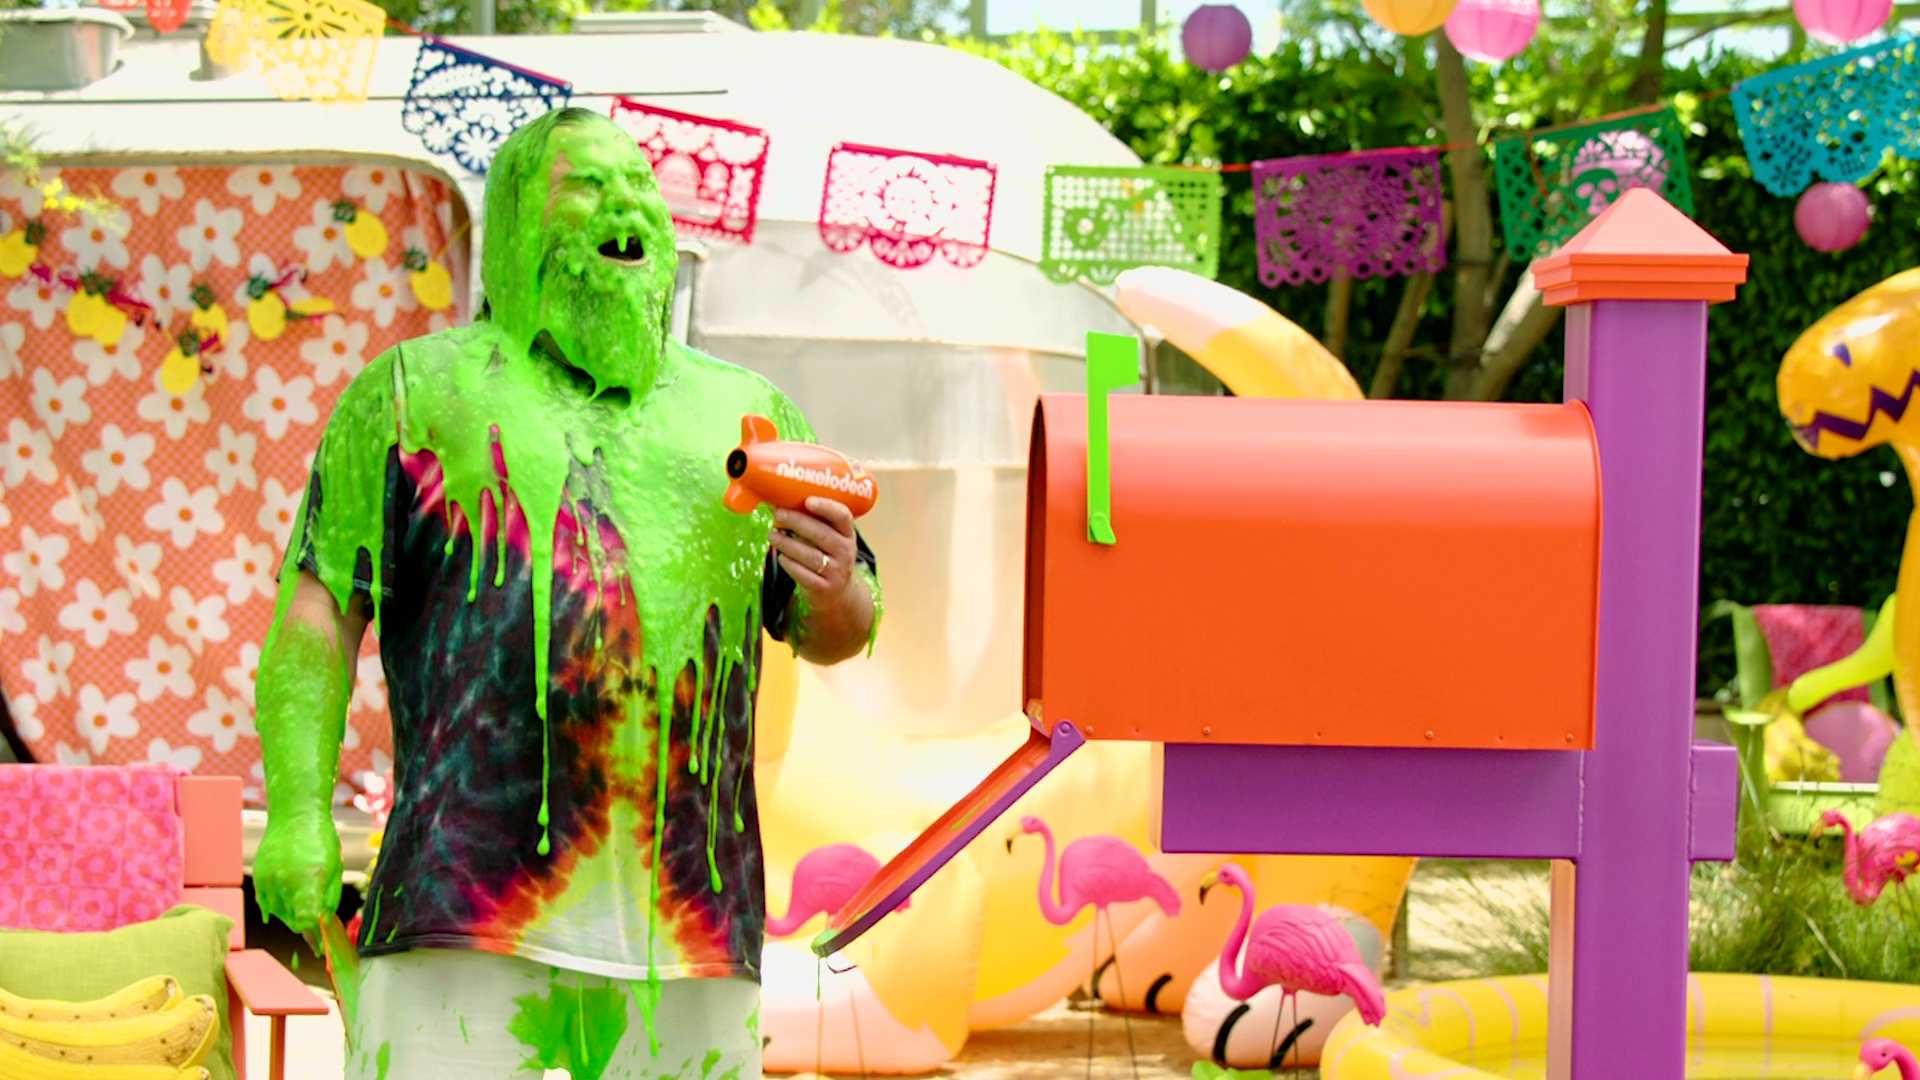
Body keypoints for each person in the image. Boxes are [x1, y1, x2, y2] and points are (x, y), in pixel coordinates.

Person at [250, 107, 879, 1079]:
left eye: (640, 187)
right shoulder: (414, 392)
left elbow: (837, 629)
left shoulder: (752, 416)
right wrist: (297, 813)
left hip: (691, 922)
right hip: (462, 908)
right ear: (513, 226)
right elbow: (319, 615)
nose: (626, 205)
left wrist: (834, 587)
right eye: (588, 185)